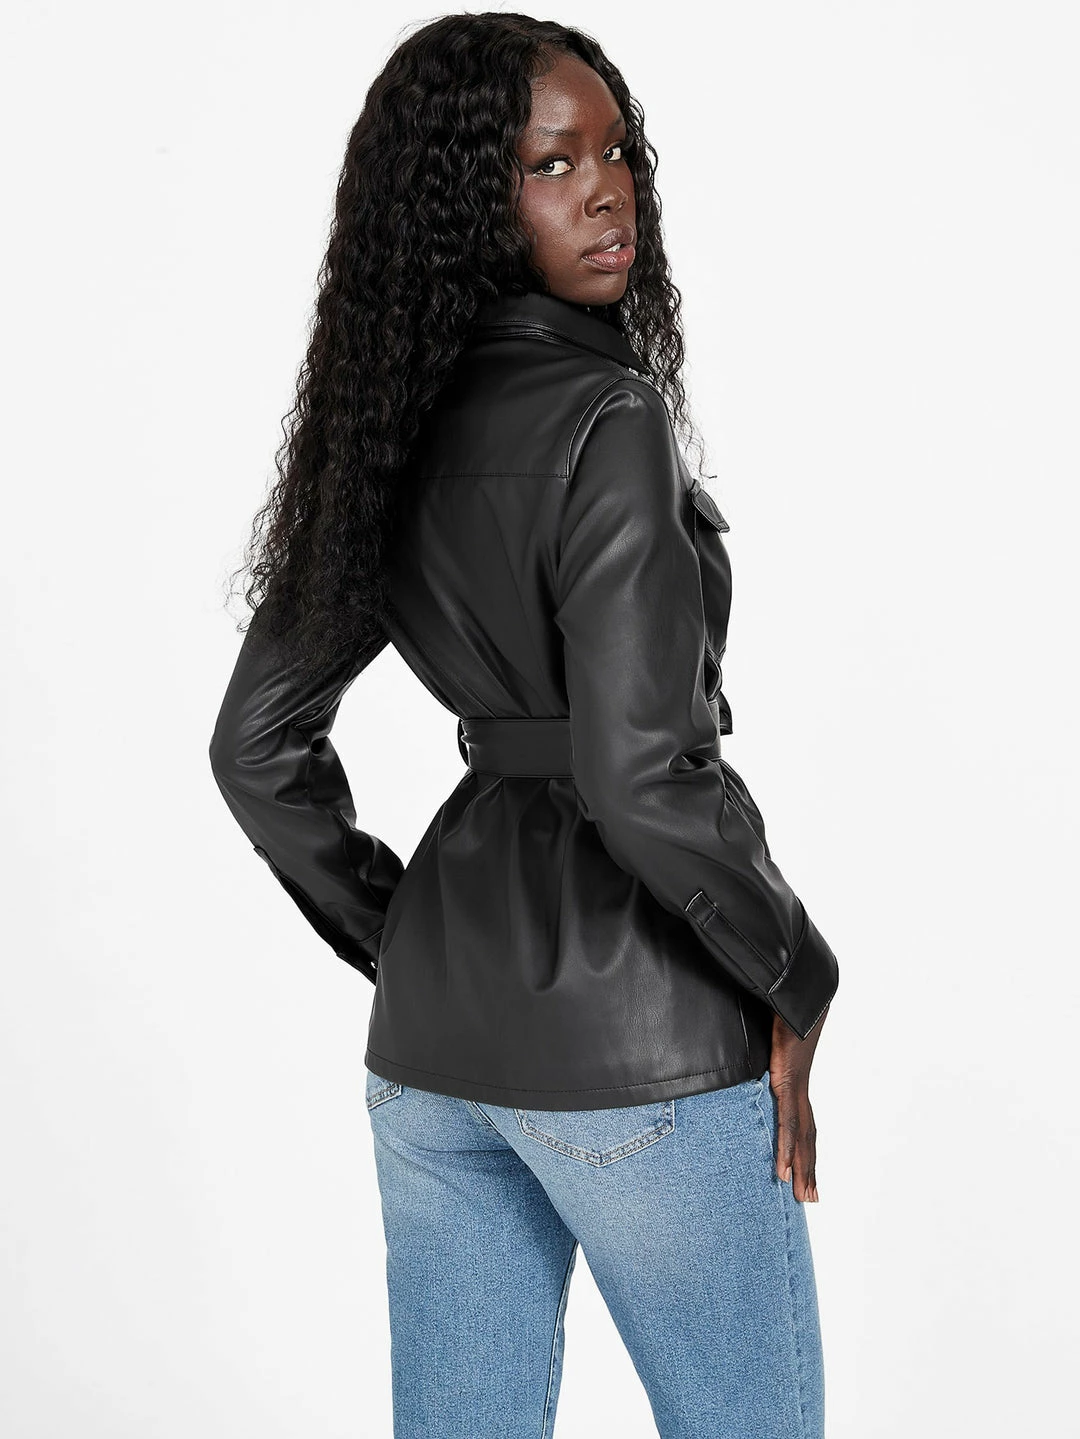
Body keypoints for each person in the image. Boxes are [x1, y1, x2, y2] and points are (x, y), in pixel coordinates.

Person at [209, 13, 840, 1439]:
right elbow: (644, 779)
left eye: (616, 154)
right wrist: (797, 970)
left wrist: (401, 932)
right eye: (553, 164)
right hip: (644, 1044)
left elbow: (254, 747)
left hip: (431, 1054)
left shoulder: (383, 428)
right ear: (468, 202)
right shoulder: (610, 418)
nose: (607, 192)